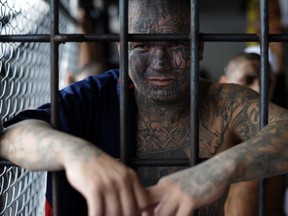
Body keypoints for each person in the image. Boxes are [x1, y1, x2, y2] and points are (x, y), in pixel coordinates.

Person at [1, 0, 288, 216]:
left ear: (198, 48)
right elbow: (12, 136)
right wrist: (77, 154)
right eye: (142, 46)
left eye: (176, 44)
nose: (159, 61)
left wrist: (215, 171)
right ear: (121, 47)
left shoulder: (224, 101)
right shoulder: (97, 96)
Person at [219, 52, 285, 216]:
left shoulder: (279, 136)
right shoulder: (205, 133)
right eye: (248, 80)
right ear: (224, 84)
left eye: (267, 82)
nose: (259, 89)